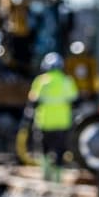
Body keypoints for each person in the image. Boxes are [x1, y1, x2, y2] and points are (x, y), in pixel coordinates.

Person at [28, 52, 79, 182]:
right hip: (62, 123)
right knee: (60, 150)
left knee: (45, 149)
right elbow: (75, 100)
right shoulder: (67, 81)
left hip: (45, 122)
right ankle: (57, 179)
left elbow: (33, 101)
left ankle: (46, 175)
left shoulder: (41, 81)